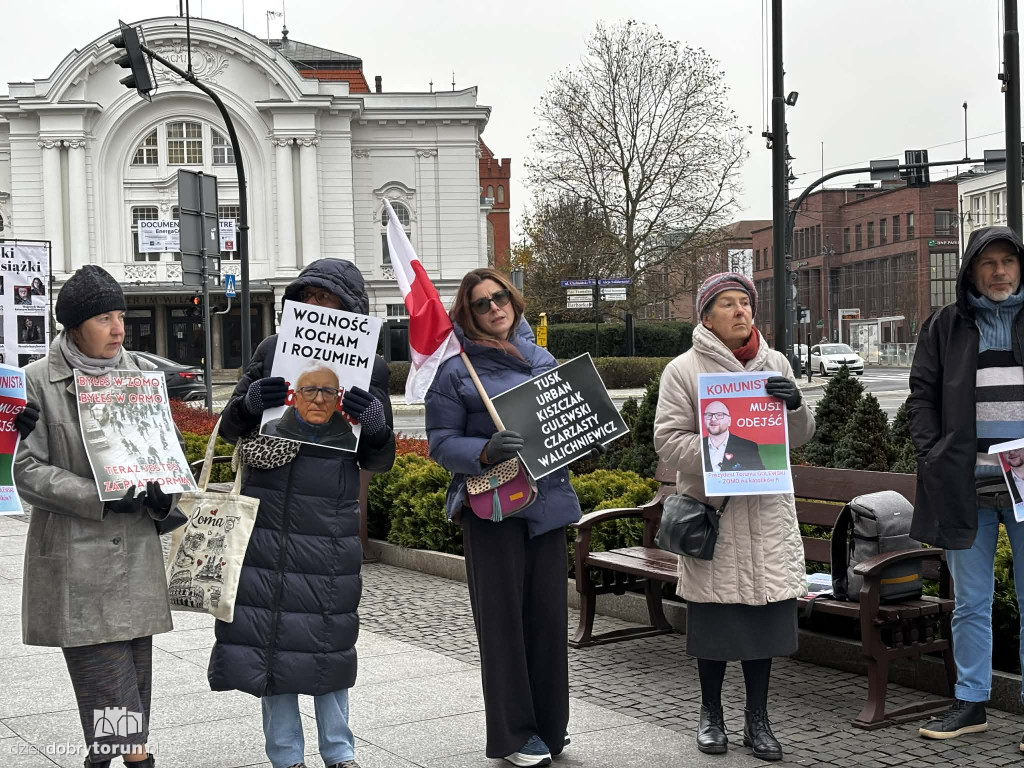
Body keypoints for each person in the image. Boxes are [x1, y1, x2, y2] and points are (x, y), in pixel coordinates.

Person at [208, 258, 396, 768]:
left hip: (329, 525)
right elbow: (231, 429)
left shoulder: (370, 366)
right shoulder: (271, 351)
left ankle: (341, 753)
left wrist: (375, 424)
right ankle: (285, 756)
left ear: (352, 308)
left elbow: (379, 458)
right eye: (309, 297)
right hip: (266, 521)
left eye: (330, 299)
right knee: (269, 644)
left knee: (327, 644)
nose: (318, 307)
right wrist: (248, 402)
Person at [15, 264, 180, 768]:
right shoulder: (37, 383)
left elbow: (165, 460)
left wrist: (161, 498)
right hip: (76, 564)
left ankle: (106, 759)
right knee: (114, 698)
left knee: (129, 691)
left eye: (120, 317)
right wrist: (101, 496)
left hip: (135, 558)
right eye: (104, 318)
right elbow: (25, 470)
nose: (118, 329)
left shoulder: (142, 378)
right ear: (73, 326)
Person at [653, 272, 814, 762]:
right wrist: (723, 452)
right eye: (728, 304)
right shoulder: (682, 370)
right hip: (714, 518)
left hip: (765, 516)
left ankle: (757, 720)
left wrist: (797, 406)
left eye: (745, 303)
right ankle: (710, 715)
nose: (741, 311)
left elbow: (800, 436)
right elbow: (667, 441)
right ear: (706, 316)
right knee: (717, 624)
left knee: (763, 623)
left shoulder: (776, 363)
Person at [425, 268, 583, 767]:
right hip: (492, 510)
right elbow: (440, 443)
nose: (494, 307)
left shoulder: (543, 359)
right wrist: (486, 450)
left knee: (547, 620)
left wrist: (585, 434)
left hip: (547, 507)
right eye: (480, 303)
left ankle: (550, 727)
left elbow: (566, 424)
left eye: (499, 297)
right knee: (502, 626)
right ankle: (515, 735)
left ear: (512, 300)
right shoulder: (455, 371)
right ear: (466, 314)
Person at [909, 225, 1024, 745]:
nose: (999, 272)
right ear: (971, 271)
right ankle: (972, 702)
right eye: (988, 263)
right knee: (971, 603)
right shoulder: (944, 326)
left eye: (1008, 262)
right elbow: (922, 397)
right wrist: (933, 456)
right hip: (965, 487)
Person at [263, 366, 357, 450]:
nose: (319, 400)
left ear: (336, 402)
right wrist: (249, 408)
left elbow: (368, 464)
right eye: (310, 390)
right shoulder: (269, 430)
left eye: (328, 392)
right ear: (295, 399)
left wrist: (370, 435)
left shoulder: (350, 440)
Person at [701, 400, 765, 472]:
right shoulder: (697, 446)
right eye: (709, 415)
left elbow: (758, 478)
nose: (713, 419)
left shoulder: (748, 447)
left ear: (729, 421)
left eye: (719, 415)